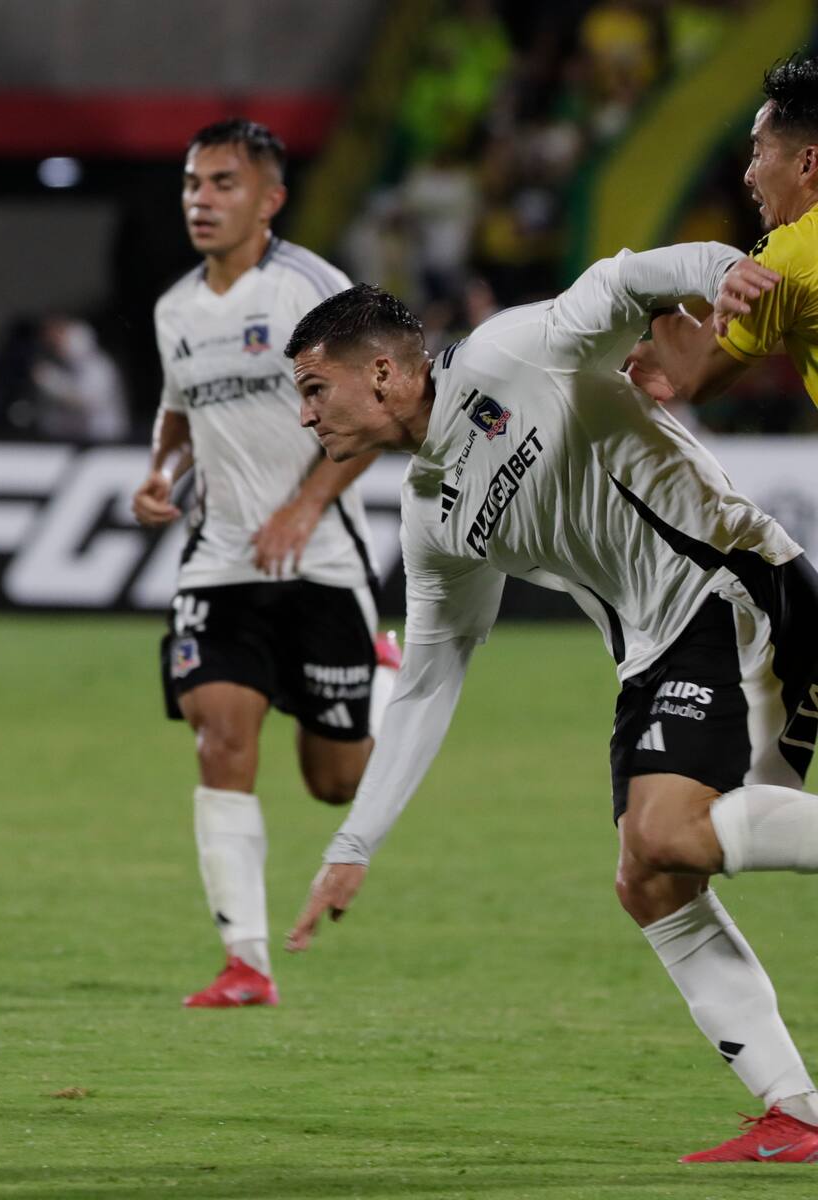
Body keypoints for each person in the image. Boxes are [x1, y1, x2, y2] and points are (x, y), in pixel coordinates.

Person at [281, 262, 818, 1162]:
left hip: (733, 590)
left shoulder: (510, 354)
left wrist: (726, 273)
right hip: (655, 652)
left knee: (668, 829)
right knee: (649, 877)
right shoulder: (431, 513)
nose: (305, 415)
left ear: (379, 372)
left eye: (312, 388)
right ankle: (796, 1110)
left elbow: (627, 280)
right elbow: (429, 674)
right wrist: (353, 844)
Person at [131, 118, 398, 1009]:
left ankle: (383, 678)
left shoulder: (313, 293)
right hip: (219, 562)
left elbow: (386, 414)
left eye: (222, 184)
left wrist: (302, 505)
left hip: (320, 561)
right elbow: (178, 411)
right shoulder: (175, 309)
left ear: (270, 199)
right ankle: (246, 960)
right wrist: (161, 473)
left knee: (336, 784)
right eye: (192, 184)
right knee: (220, 735)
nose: (201, 201)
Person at [635, 54, 818, 409]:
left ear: (807, 162)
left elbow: (693, 376)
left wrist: (654, 294)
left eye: (758, 150)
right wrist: (671, 352)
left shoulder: (788, 255)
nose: (749, 174)